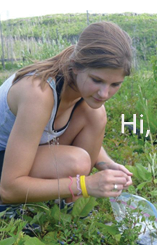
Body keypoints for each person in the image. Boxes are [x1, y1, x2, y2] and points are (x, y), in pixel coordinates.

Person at [0, 21, 133, 206]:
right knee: (76, 162)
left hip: (23, 153)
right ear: (76, 66)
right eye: (97, 80)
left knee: (96, 114)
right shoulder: (39, 94)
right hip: (6, 168)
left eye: (115, 84)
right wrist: (85, 185)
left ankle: (64, 208)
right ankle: (26, 209)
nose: (104, 93)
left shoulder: (81, 89)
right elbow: (8, 190)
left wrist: (105, 163)